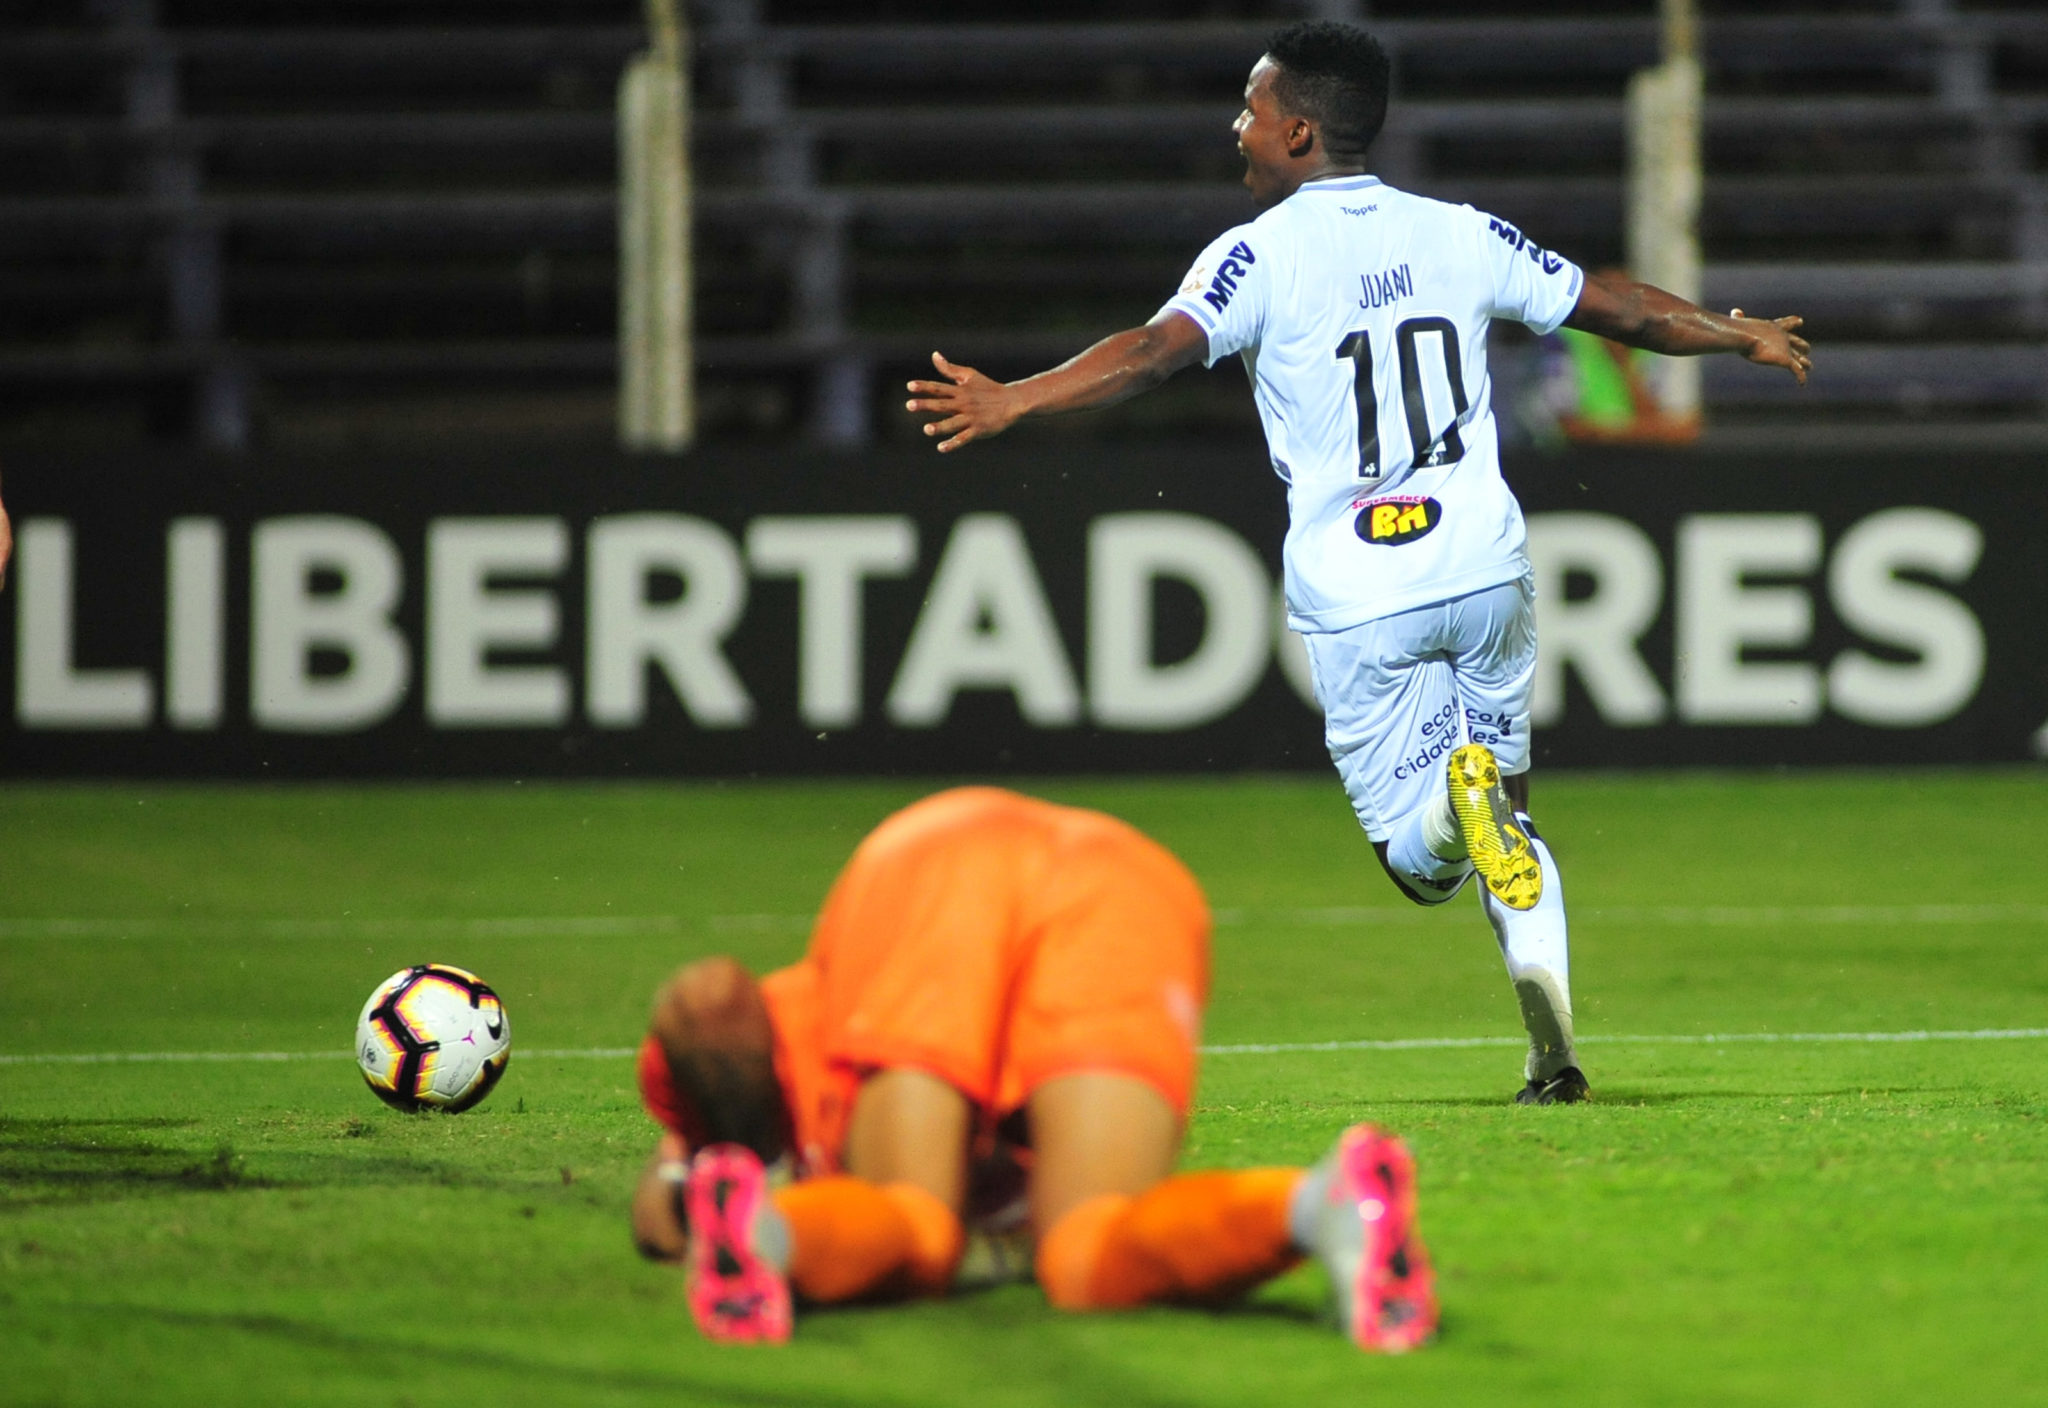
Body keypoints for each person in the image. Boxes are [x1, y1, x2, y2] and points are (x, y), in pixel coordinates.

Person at [903, 22, 1813, 1106]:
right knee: (1509, 815)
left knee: (1420, 861)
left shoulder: (1254, 253)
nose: (1234, 125)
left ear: (1294, 130)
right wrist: (1734, 332)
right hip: (1482, 561)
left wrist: (1015, 397)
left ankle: (1453, 822)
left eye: (1247, 107)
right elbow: (1612, 311)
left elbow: (1151, 355)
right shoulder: (1459, 231)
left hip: (1359, 587)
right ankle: (1552, 1056)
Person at [630, 786, 1436, 1351]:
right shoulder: (763, 1064)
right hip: (1123, 875)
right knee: (1088, 1247)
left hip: (937, 866)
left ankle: (764, 1237)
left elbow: (708, 1000)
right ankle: (1320, 1206)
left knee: (915, 1220)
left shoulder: (771, 1062)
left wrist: (731, 1172)